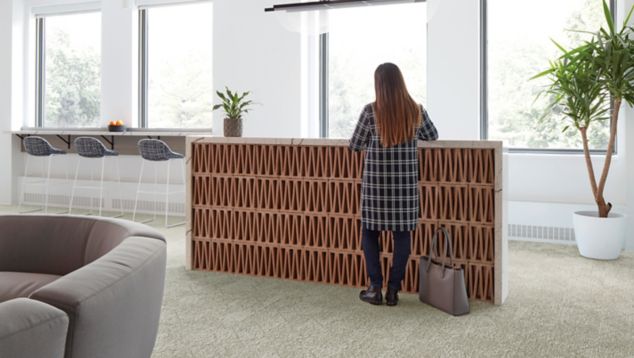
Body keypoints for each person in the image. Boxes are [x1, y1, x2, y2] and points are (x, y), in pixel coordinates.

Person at [349, 62, 438, 306]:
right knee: (402, 237)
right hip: (404, 189)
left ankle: (374, 288)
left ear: (378, 84)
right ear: (401, 82)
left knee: (369, 233)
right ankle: (393, 291)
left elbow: (355, 145)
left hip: (376, 188)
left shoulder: (370, 111)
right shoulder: (415, 110)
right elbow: (433, 136)